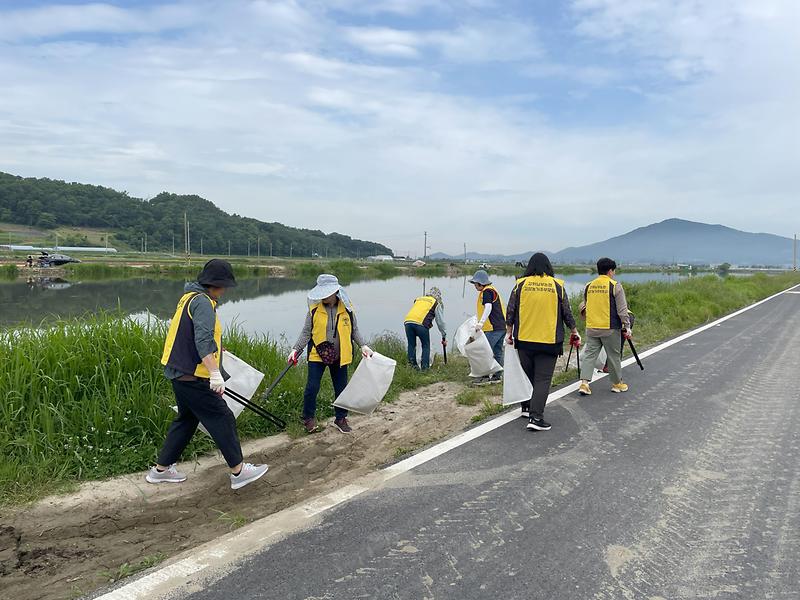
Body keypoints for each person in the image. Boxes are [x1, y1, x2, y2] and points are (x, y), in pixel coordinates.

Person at [148, 259, 269, 490]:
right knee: (223, 418)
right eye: (223, 286)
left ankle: (160, 471)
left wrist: (217, 350)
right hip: (193, 376)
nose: (224, 291)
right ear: (215, 284)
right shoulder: (203, 303)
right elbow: (202, 340)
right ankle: (239, 471)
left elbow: (191, 334)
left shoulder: (189, 297)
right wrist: (215, 373)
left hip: (178, 372)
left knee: (186, 420)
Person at [288, 274, 372, 434]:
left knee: (341, 388)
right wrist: (295, 350)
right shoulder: (314, 311)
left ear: (335, 292)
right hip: (317, 355)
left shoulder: (347, 310)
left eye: (327, 293)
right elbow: (306, 333)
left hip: (341, 356)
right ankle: (308, 418)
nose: (324, 297)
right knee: (312, 387)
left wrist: (363, 346)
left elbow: (354, 330)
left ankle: (340, 418)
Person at [506, 253, 580, 431]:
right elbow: (567, 312)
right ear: (548, 267)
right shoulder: (557, 285)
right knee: (542, 379)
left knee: (527, 374)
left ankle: (526, 407)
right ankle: (536, 417)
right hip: (549, 341)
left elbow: (510, 310)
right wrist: (574, 331)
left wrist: (509, 332)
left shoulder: (520, 285)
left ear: (529, 267)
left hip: (524, 340)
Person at [578, 257, 631, 395]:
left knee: (590, 355)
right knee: (613, 356)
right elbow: (622, 310)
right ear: (610, 271)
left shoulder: (589, 285)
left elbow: (585, 304)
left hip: (592, 328)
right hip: (610, 328)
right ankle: (616, 383)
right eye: (613, 271)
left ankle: (584, 384)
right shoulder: (615, 285)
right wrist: (627, 326)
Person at [469, 269, 506, 384]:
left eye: (475, 283)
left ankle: (484, 378)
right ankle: (497, 377)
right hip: (501, 326)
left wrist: (481, 323)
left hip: (493, 327)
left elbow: (488, 307)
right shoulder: (492, 290)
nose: (474, 286)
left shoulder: (487, 291)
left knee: (484, 351)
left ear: (481, 283)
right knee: (498, 351)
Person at [403, 287, 446, 370]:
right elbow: (440, 322)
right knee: (426, 346)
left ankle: (413, 367)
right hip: (421, 324)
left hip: (408, 321)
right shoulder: (435, 302)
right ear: (438, 296)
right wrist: (444, 334)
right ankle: (425, 369)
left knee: (411, 345)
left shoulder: (419, 299)